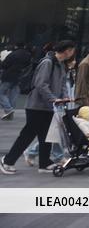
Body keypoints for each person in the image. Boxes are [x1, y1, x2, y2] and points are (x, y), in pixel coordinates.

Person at [1, 40, 75, 174]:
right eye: (72, 50)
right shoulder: (48, 62)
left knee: (46, 135)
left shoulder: (60, 64)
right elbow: (40, 84)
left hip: (49, 106)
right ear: (67, 50)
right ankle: (7, 161)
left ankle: (44, 163)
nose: (72, 53)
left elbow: (63, 83)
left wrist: (64, 97)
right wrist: (53, 98)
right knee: (27, 135)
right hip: (36, 106)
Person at [0, 42, 31, 119]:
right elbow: (28, 65)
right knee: (13, 95)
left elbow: (4, 65)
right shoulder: (28, 55)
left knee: (1, 93)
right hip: (19, 77)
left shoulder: (13, 54)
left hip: (9, 76)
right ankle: (10, 112)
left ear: (16, 46)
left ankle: (8, 109)